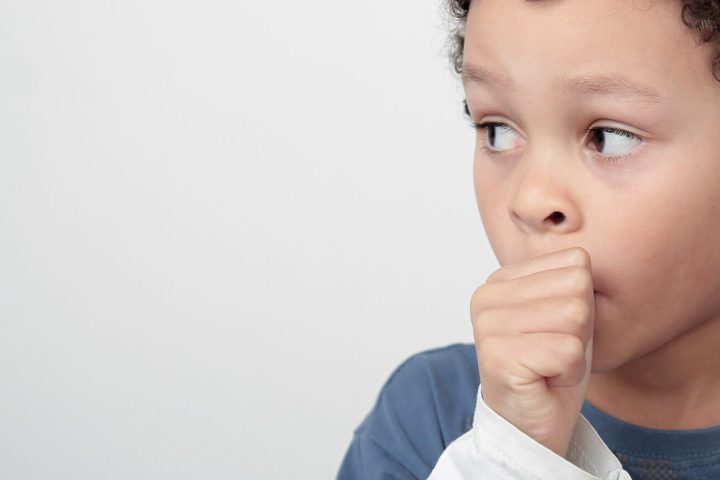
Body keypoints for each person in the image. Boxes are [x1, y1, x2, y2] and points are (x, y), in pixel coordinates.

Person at [336, 0, 720, 478]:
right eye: (497, 130)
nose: (531, 199)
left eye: (609, 137)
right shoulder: (427, 421)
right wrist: (511, 454)